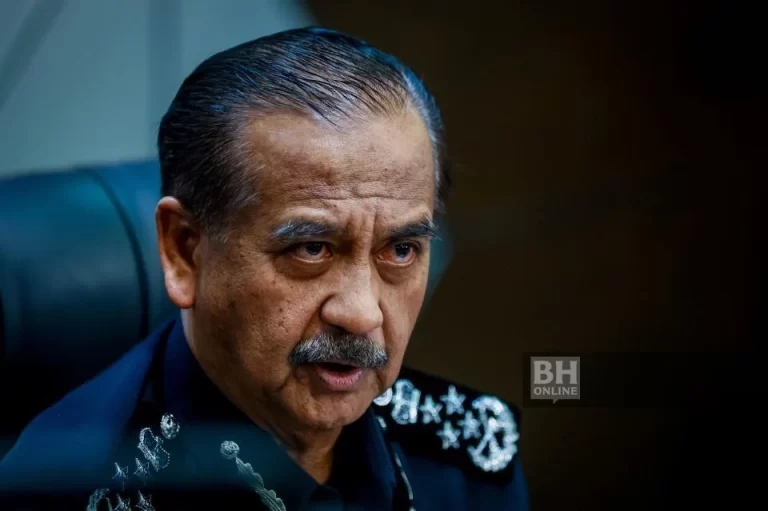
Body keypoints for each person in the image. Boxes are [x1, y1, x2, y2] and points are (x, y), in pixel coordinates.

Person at [0, 27, 528, 510]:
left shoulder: (468, 454)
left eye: (401, 250)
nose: (362, 314)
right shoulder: (63, 496)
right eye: (312, 249)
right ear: (185, 250)